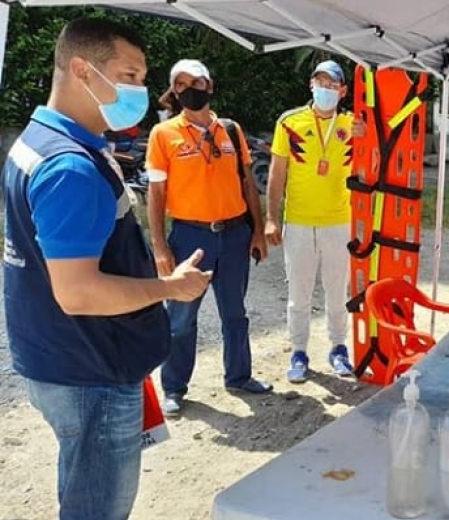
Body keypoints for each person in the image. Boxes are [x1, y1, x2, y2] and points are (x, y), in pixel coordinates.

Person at [3, 19, 212, 520]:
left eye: (142, 77)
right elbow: (79, 292)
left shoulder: (40, 141)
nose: (140, 90)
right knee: (96, 508)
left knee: (80, 486)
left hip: (64, 357)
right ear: (82, 69)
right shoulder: (69, 166)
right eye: (130, 75)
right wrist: (170, 288)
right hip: (89, 371)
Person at [147, 58, 271, 416]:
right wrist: (159, 246)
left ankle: (239, 376)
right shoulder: (164, 134)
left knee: (235, 312)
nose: (190, 90)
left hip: (234, 234)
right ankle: (173, 387)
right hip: (189, 237)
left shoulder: (230, 130)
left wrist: (258, 231)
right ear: (175, 91)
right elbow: (156, 194)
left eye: (196, 83)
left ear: (210, 86)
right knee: (181, 317)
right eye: (181, 84)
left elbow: (248, 183)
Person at [265, 60, 365, 381]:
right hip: (298, 221)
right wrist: (271, 218)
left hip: (339, 221)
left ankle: (338, 348)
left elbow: (374, 160)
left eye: (332, 85)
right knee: (299, 293)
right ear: (311, 85)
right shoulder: (289, 122)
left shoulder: (352, 124)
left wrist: (368, 135)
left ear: (343, 91)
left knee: (338, 291)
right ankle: (298, 352)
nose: (326, 90)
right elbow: (277, 173)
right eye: (320, 83)